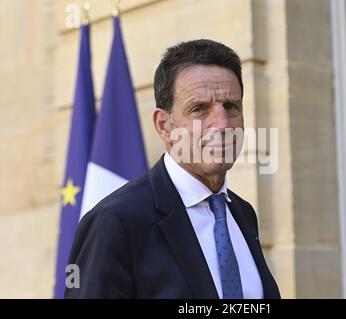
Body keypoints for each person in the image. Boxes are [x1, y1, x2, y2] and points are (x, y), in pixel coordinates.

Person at [65, 39, 280, 299]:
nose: (223, 125)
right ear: (164, 125)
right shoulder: (116, 221)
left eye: (231, 106)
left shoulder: (243, 213)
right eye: (199, 109)